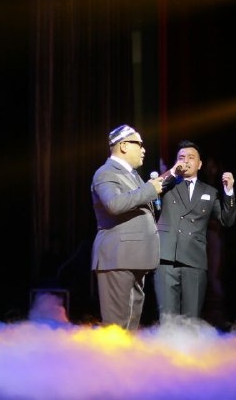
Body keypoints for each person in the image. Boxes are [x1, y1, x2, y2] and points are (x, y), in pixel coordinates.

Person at [91, 124, 164, 330]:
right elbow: (114, 204)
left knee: (130, 325)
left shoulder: (132, 175)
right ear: (123, 146)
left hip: (134, 257)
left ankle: (127, 353)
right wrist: (149, 190)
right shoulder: (106, 173)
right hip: (118, 257)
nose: (144, 150)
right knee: (116, 327)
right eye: (139, 144)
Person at [154, 140, 236, 320]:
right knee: (167, 318)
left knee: (191, 319)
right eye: (181, 157)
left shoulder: (210, 192)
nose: (185, 161)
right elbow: (152, 190)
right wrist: (172, 172)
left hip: (195, 260)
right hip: (167, 259)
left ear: (199, 164)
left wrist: (229, 192)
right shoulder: (166, 185)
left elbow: (227, 220)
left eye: (191, 157)